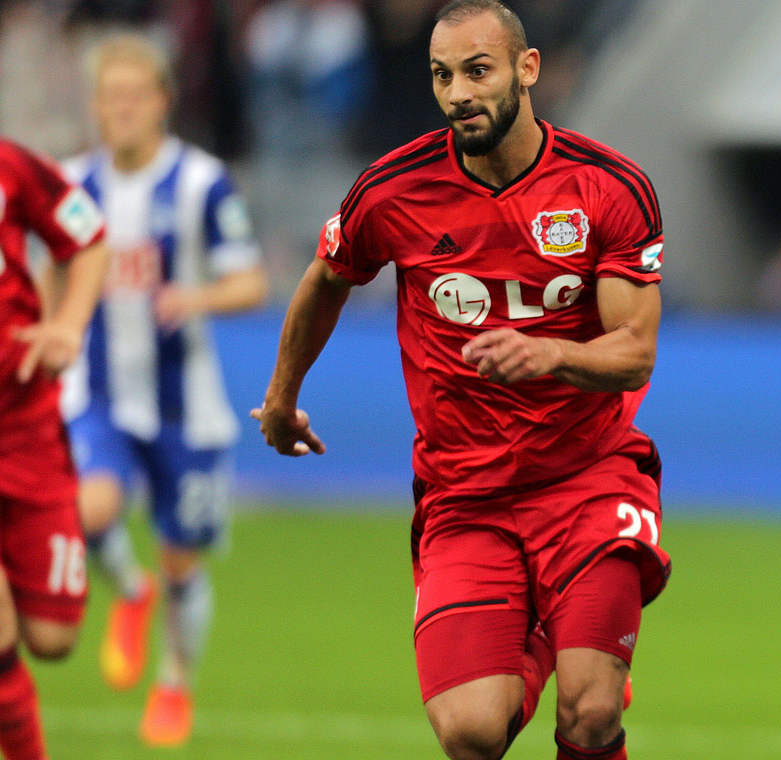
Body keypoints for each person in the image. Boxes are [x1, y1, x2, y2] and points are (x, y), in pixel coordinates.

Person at [253, 3, 669, 759]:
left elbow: (634, 352)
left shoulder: (607, 188)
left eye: (477, 71)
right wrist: (282, 400)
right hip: (465, 494)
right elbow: (325, 279)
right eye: (443, 76)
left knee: (590, 711)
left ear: (526, 69)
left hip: (587, 476)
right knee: (472, 732)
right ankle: (550, 627)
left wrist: (553, 355)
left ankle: (578, 649)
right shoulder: (393, 188)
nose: (457, 94)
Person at [57, 34, 268, 747]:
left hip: (187, 404)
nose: (120, 110)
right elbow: (53, 278)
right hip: (100, 393)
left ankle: (174, 682)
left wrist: (195, 299)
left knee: (183, 560)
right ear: (95, 106)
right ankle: (130, 590)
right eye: (108, 98)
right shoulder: (72, 186)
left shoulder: (202, 183)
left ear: (162, 103)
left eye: (133, 97)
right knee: (87, 510)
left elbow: (252, 280)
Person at [0, 136, 108, 760]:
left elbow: (88, 235)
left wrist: (67, 325)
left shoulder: (13, 168)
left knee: (50, 637)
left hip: (26, 424)